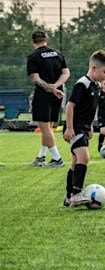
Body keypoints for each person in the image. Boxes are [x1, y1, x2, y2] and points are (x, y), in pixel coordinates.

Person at [63, 50, 105, 207]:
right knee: (84, 158)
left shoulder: (96, 85)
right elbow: (70, 106)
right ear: (93, 68)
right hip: (75, 127)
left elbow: (91, 108)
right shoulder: (82, 84)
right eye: (104, 72)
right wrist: (70, 128)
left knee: (75, 162)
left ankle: (68, 197)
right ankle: (76, 194)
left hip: (84, 127)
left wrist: (91, 126)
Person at [26, 28, 69, 167]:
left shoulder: (33, 57)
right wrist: (55, 87)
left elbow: (36, 79)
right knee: (49, 127)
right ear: (46, 39)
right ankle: (41, 156)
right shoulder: (58, 54)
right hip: (58, 94)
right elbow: (66, 73)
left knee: (45, 128)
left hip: (43, 95)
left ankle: (57, 159)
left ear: (33, 41)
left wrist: (50, 88)